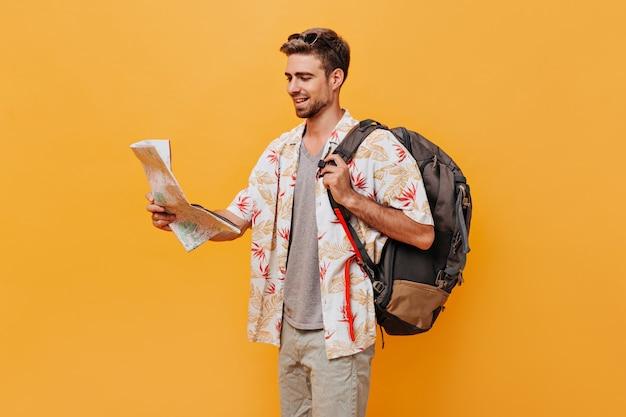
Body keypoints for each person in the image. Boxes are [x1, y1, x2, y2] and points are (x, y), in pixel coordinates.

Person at [145, 28, 434, 417]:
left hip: (340, 333)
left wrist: (350, 197)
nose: (293, 87)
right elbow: (235, 221)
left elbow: (422, 234)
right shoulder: (280, 151)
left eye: (304, 77)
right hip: (289, 329)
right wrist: (184, 217)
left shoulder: (376, 148)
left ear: (336, 79)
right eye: (289, 77)